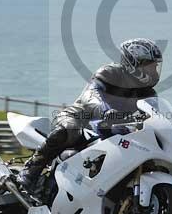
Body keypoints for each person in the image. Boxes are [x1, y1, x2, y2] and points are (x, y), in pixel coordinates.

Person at [17, 38, 162, 193]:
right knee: (69, 129)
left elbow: (153, 117)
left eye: (156, 67)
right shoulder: (109, 73)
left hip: (111, 131)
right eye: (150, 67)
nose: (153, 72)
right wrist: (104, 111)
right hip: (80, 119)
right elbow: (91, 95)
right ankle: (31, 169)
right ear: (133, 63)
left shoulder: (149, 93)